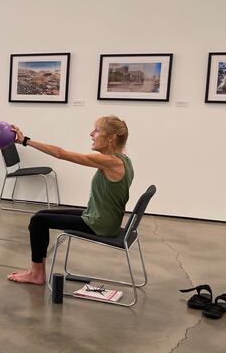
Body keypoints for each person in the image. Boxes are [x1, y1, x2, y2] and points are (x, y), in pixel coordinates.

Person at [7, 115, 133, 285]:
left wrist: (25, 141)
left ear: (111, 138)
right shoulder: (123, 160)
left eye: (97, 130)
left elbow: (60, 153)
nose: (91, 134)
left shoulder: (110, 161)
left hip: (100, 224)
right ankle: (36, 270)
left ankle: (37, 274)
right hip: (101, 218)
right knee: (41, 214)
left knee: (38, 221)